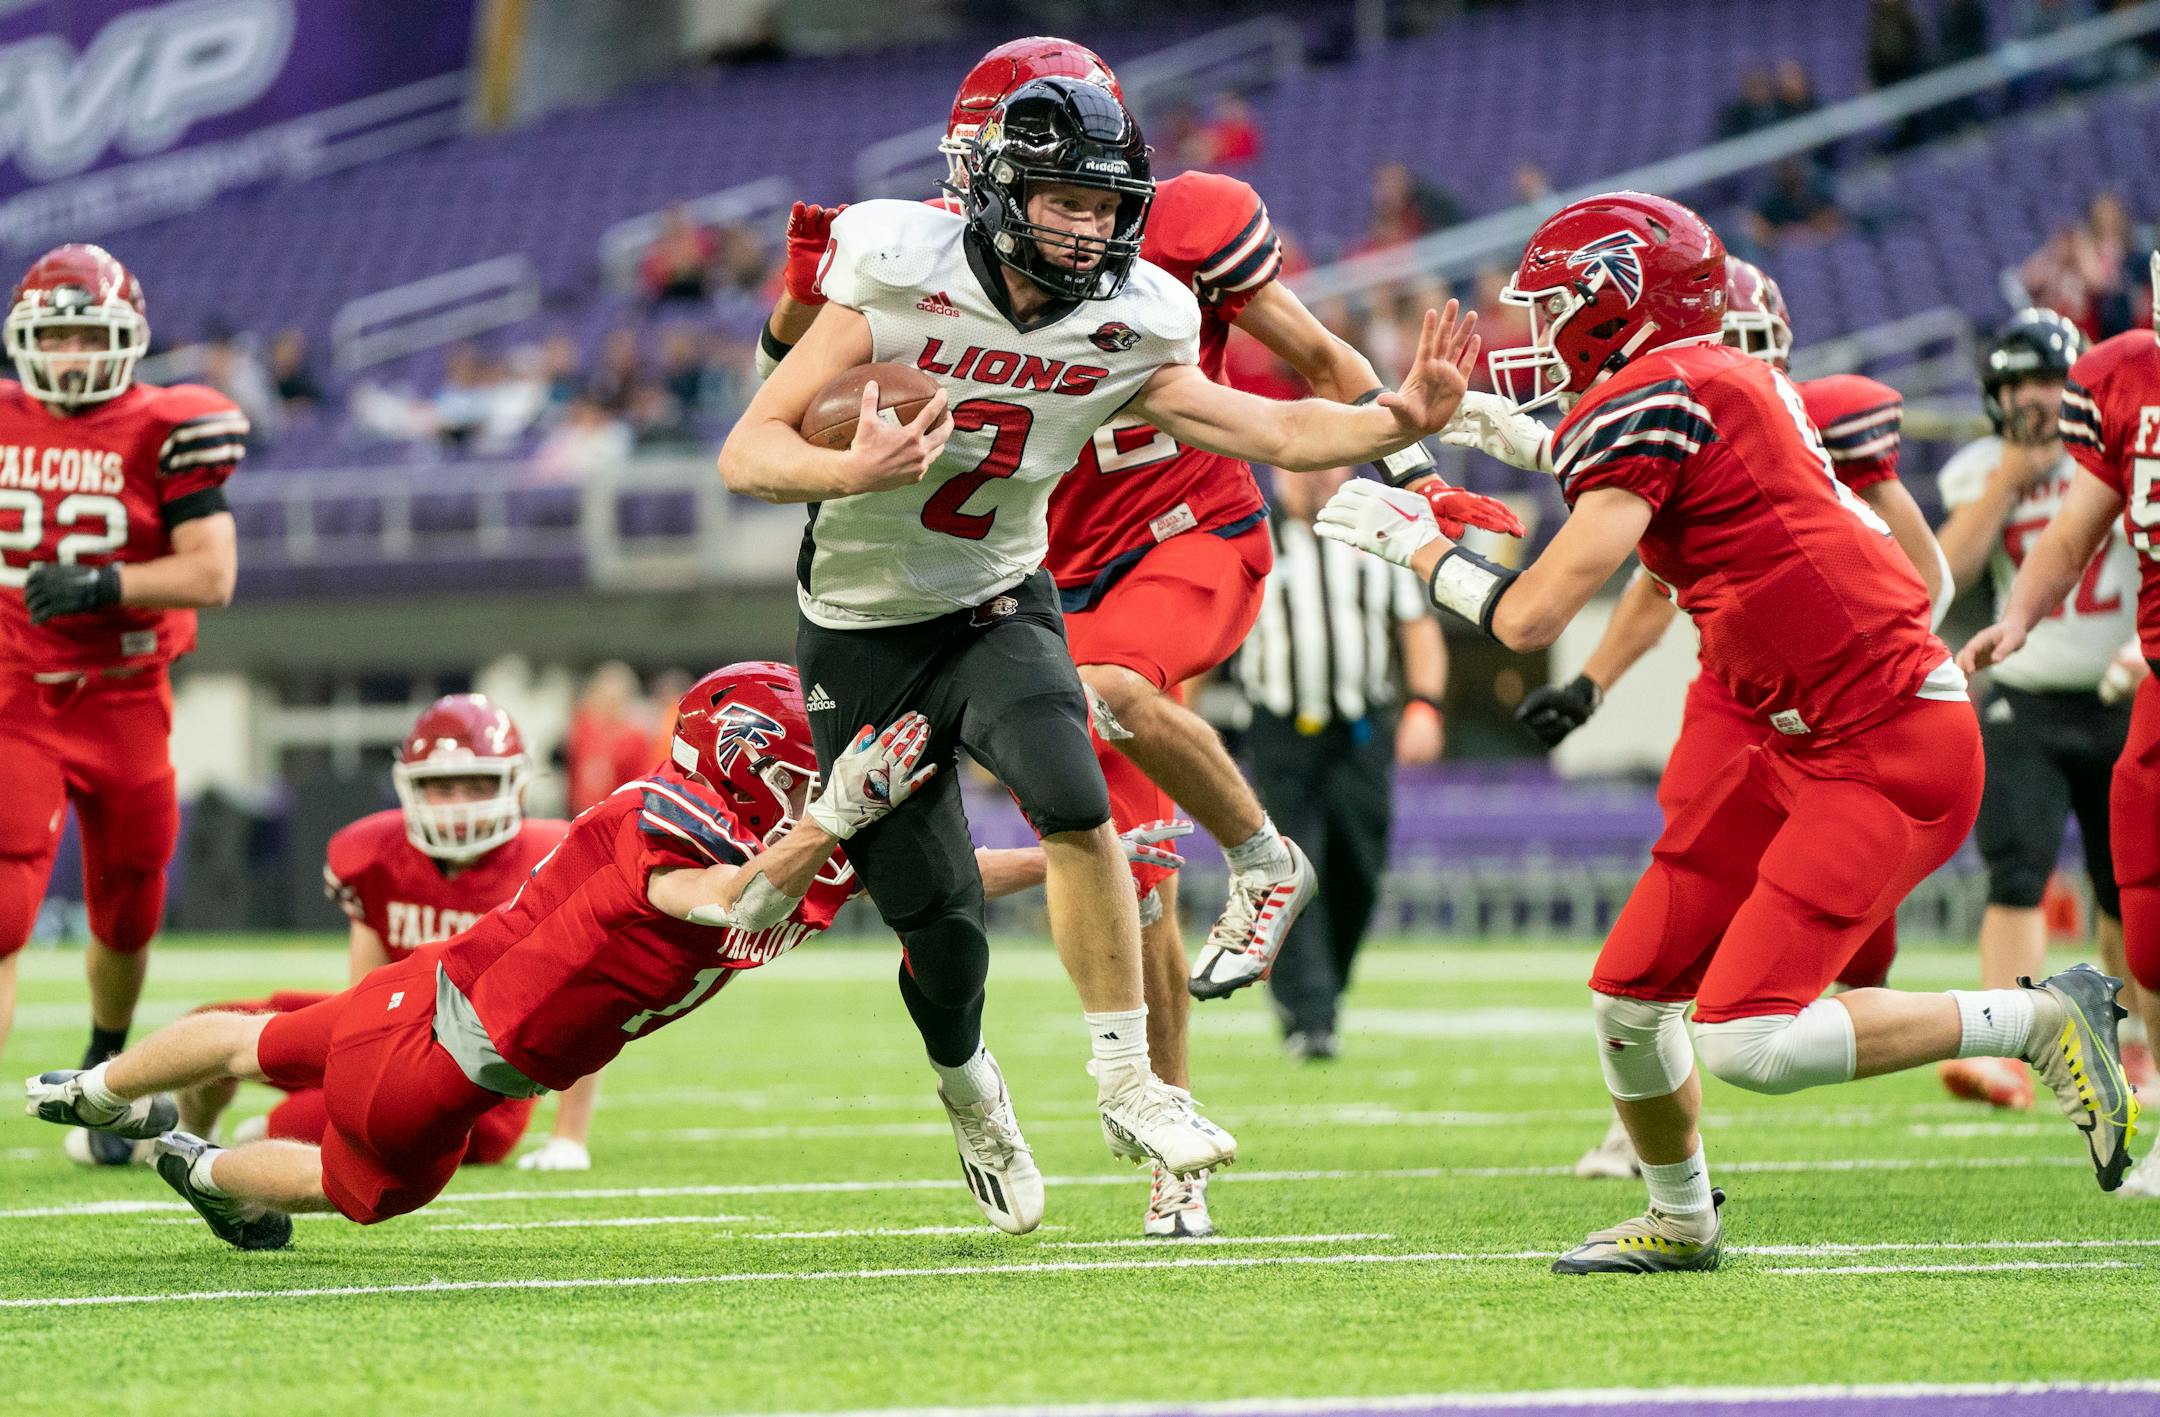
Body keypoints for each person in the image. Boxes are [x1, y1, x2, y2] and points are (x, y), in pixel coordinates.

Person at [758, 38, 1516, 1239]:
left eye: (1101, 199)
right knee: (1098, 885)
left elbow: (1292, 399)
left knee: (1094, 739)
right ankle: (1126, 1135)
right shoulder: (901, 260)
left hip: (1162, 539)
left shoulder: (1167, 267)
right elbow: (775, 407)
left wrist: (1410, 456)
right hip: (984, 582)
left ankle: (1251, 876)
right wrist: (834, 410)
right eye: (1057, 194)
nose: (1084, 225)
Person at [1324, 190, 2137, 1271]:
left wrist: (1419, 544)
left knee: (1749, 1035)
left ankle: (2037, 1019)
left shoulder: (1668, 392)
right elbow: (1645, 472)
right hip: (1799, 736)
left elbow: (1529, 617)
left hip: (1889, 740)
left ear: (1619, 304)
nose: (1540, 331)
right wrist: (1499, 429)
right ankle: (1680, 1217)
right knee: (1628, 999)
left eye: (1556, 306)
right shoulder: (1708, 382)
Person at [1497, 254, 1946, 1180]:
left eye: (1745, 343)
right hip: (1737, 688)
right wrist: (1591, 684)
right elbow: (1656, 579)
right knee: (1683, 878)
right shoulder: (1670, 419)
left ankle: (1887, 1006)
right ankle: (1648, 1129)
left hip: (1844, 697)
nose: (1728, 358)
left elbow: (1924, 575)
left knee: (1844, 930)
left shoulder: (1800, 415)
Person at [0, 245, 246, 1164]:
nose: (70, 356)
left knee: (129, 902)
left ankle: (106, 1061)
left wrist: (108, 584)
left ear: (128, 338)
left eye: (87, 335)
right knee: (6, 907)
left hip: (126, 694)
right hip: (17, 693)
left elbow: (213, 574)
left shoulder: (168, 424)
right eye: (54, 337)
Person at [169, 695, 574, 1168]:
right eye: (443, 787)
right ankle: (181, 1127)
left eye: (477, 786)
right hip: (401, 1034)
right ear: (410, 788)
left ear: (516, 788)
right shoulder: (373, 853)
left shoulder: (553, 863)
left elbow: (587, 1010)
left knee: (283, 1128)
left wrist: (569, 1138)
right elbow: (365, 997)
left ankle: (224, 1143)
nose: (458, 806)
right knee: (212, 1026)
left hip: (482, 1091)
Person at [1965, 253, 2160, 1196]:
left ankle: (2123, 1047)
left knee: (2131, 892)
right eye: (2021, 384)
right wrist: (2015, 618)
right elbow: (2067, 533)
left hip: (2128, 682)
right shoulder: (2121, 387)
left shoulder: (2120, 400)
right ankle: (2021, 1041)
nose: (2036, 398)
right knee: (2117, 901)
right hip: (2068, 695)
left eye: (2050, 380)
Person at [1237, 466, 1448, 1064]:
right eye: (1298, 468)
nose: (1312, 479)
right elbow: (1209, 634)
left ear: (1348, 470)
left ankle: (1321, 991)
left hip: (1361, 730)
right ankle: (1310, 1014)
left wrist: (1425, 705)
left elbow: (1417, 627)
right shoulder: (1252, 539)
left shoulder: (1375, 535)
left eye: (1324, 466)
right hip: (1281, 729)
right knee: (1291, 870)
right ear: (1276, 472)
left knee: (1359, 867)